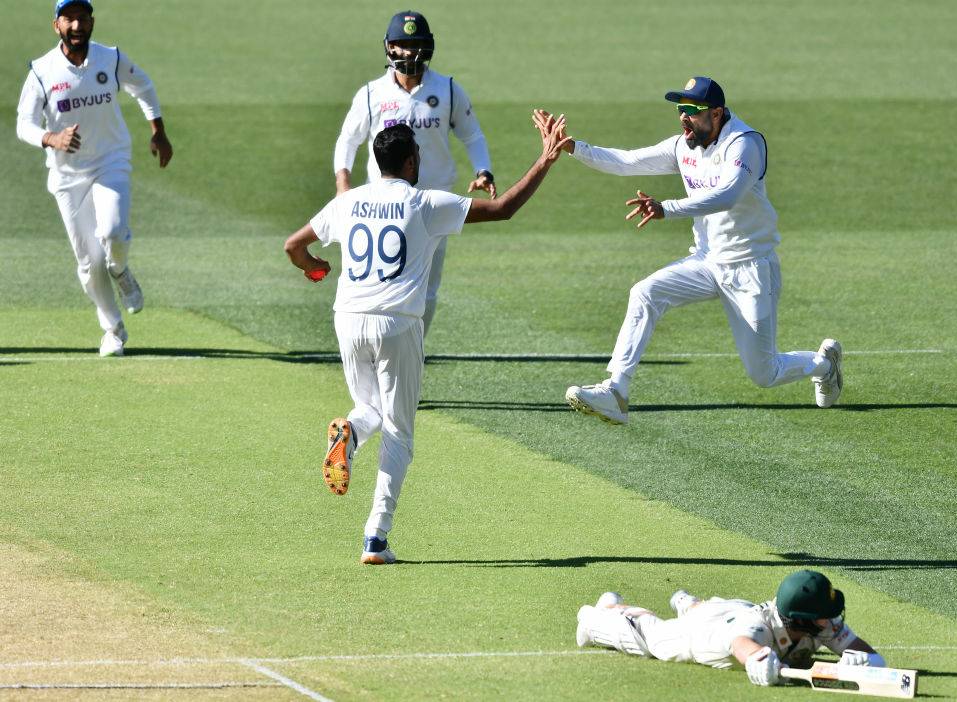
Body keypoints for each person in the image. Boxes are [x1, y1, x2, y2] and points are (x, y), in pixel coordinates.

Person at [285, 113, 568, 564]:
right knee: (399, 432)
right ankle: (375, 536)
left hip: (348, 317)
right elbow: (504, 209)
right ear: (413, 161)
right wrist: (545, 160)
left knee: (368, 410)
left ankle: (350, 436)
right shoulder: (423, 204)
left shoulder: (349, 201)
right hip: (397, 322)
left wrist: (314, 268)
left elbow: (293, 246)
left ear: (377, 164)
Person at [549, 76, 841, 425]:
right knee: (645, 293)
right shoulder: (683, 147)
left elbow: (729, 195)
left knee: (764, 373)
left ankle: (824, 364)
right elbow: (627, 162)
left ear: (716, 113)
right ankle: (616, 391)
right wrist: (573, 147)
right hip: (705, 262)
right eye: (680, 109)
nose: (683, 118)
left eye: (692, 110)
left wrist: (667, 208)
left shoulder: (744, 144)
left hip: (750, 266)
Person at [16, 0, 173, 357]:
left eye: (82, 18)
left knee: (112, 232)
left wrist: (158, 131)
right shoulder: (41, 71)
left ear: (92, 22)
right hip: (66, 174)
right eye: (68, 19)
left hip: (110, 159)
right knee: (88, 263)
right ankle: (113, 330)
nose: (76, 26)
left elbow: (143, 86)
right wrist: (51, 138)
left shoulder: (110, 58)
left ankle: (120, 270)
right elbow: (23, 123)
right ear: (56, 25)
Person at [333, 10, 496, 337]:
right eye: (402, 44)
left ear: (429, 46)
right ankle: (376, 335)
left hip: (432, 200)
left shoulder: (448, 89)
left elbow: (472, 135)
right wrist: (343, 184)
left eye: (416, 43)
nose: (410, 51)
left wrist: (484, 170)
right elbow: (348, 141)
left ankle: (414, 343)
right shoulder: (371, 94)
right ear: (389, 47)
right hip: (383, 199)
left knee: (428, 283)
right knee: (381, 274)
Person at [575, 570, 886, 687]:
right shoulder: (754, 629)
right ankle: (600, 614)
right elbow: (742, 643)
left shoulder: (820, 624)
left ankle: (689, 602)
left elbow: (874, 660)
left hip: (737, 608)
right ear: (800, 619)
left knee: (715, 608)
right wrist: (757, 660)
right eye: (821, 617)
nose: (829, 621)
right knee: (651, 638)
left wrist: (860, 663)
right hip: (707, 635)